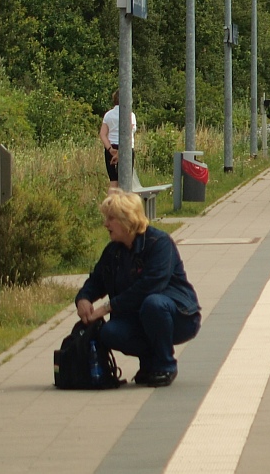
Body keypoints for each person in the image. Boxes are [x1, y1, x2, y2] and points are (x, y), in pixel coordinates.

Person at [75, 191, 201, 387]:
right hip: (138, 317)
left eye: (111, 218)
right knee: (110, 332)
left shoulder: (159, 243)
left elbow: (150, 286)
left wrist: (108, 307)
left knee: (153, 304)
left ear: (128, 219)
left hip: (179, 316)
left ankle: (165, 365)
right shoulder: (113, 251)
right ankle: (150, 363)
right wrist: (83, 298)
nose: (105, 224)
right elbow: (97, 280)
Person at [99, 90, 136, 190]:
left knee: (113, 183)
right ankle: (123, 205)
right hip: (126, 149)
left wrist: (110, 149)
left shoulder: (108, 115)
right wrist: (121, 153)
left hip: (111, 148)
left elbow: (102, 134)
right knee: (125, 184)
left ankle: (111, 205)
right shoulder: (130, 115)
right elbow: (128, 133)